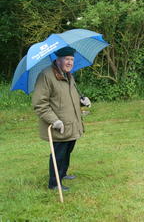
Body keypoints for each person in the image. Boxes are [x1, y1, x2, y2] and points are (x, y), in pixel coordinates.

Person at [32, 46, 91, 191]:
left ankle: (62, 174)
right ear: (58, 60)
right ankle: (54, 184)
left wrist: (81, 101)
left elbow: (68, 97)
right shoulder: (46, 75)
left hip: (72, 123)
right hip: (59, 124)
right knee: (58, 154)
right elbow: (40, 104)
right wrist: (55, 121)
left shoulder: (69, 75)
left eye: (72, 59)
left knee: (67, 151)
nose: (70, 62)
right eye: (67, 59)